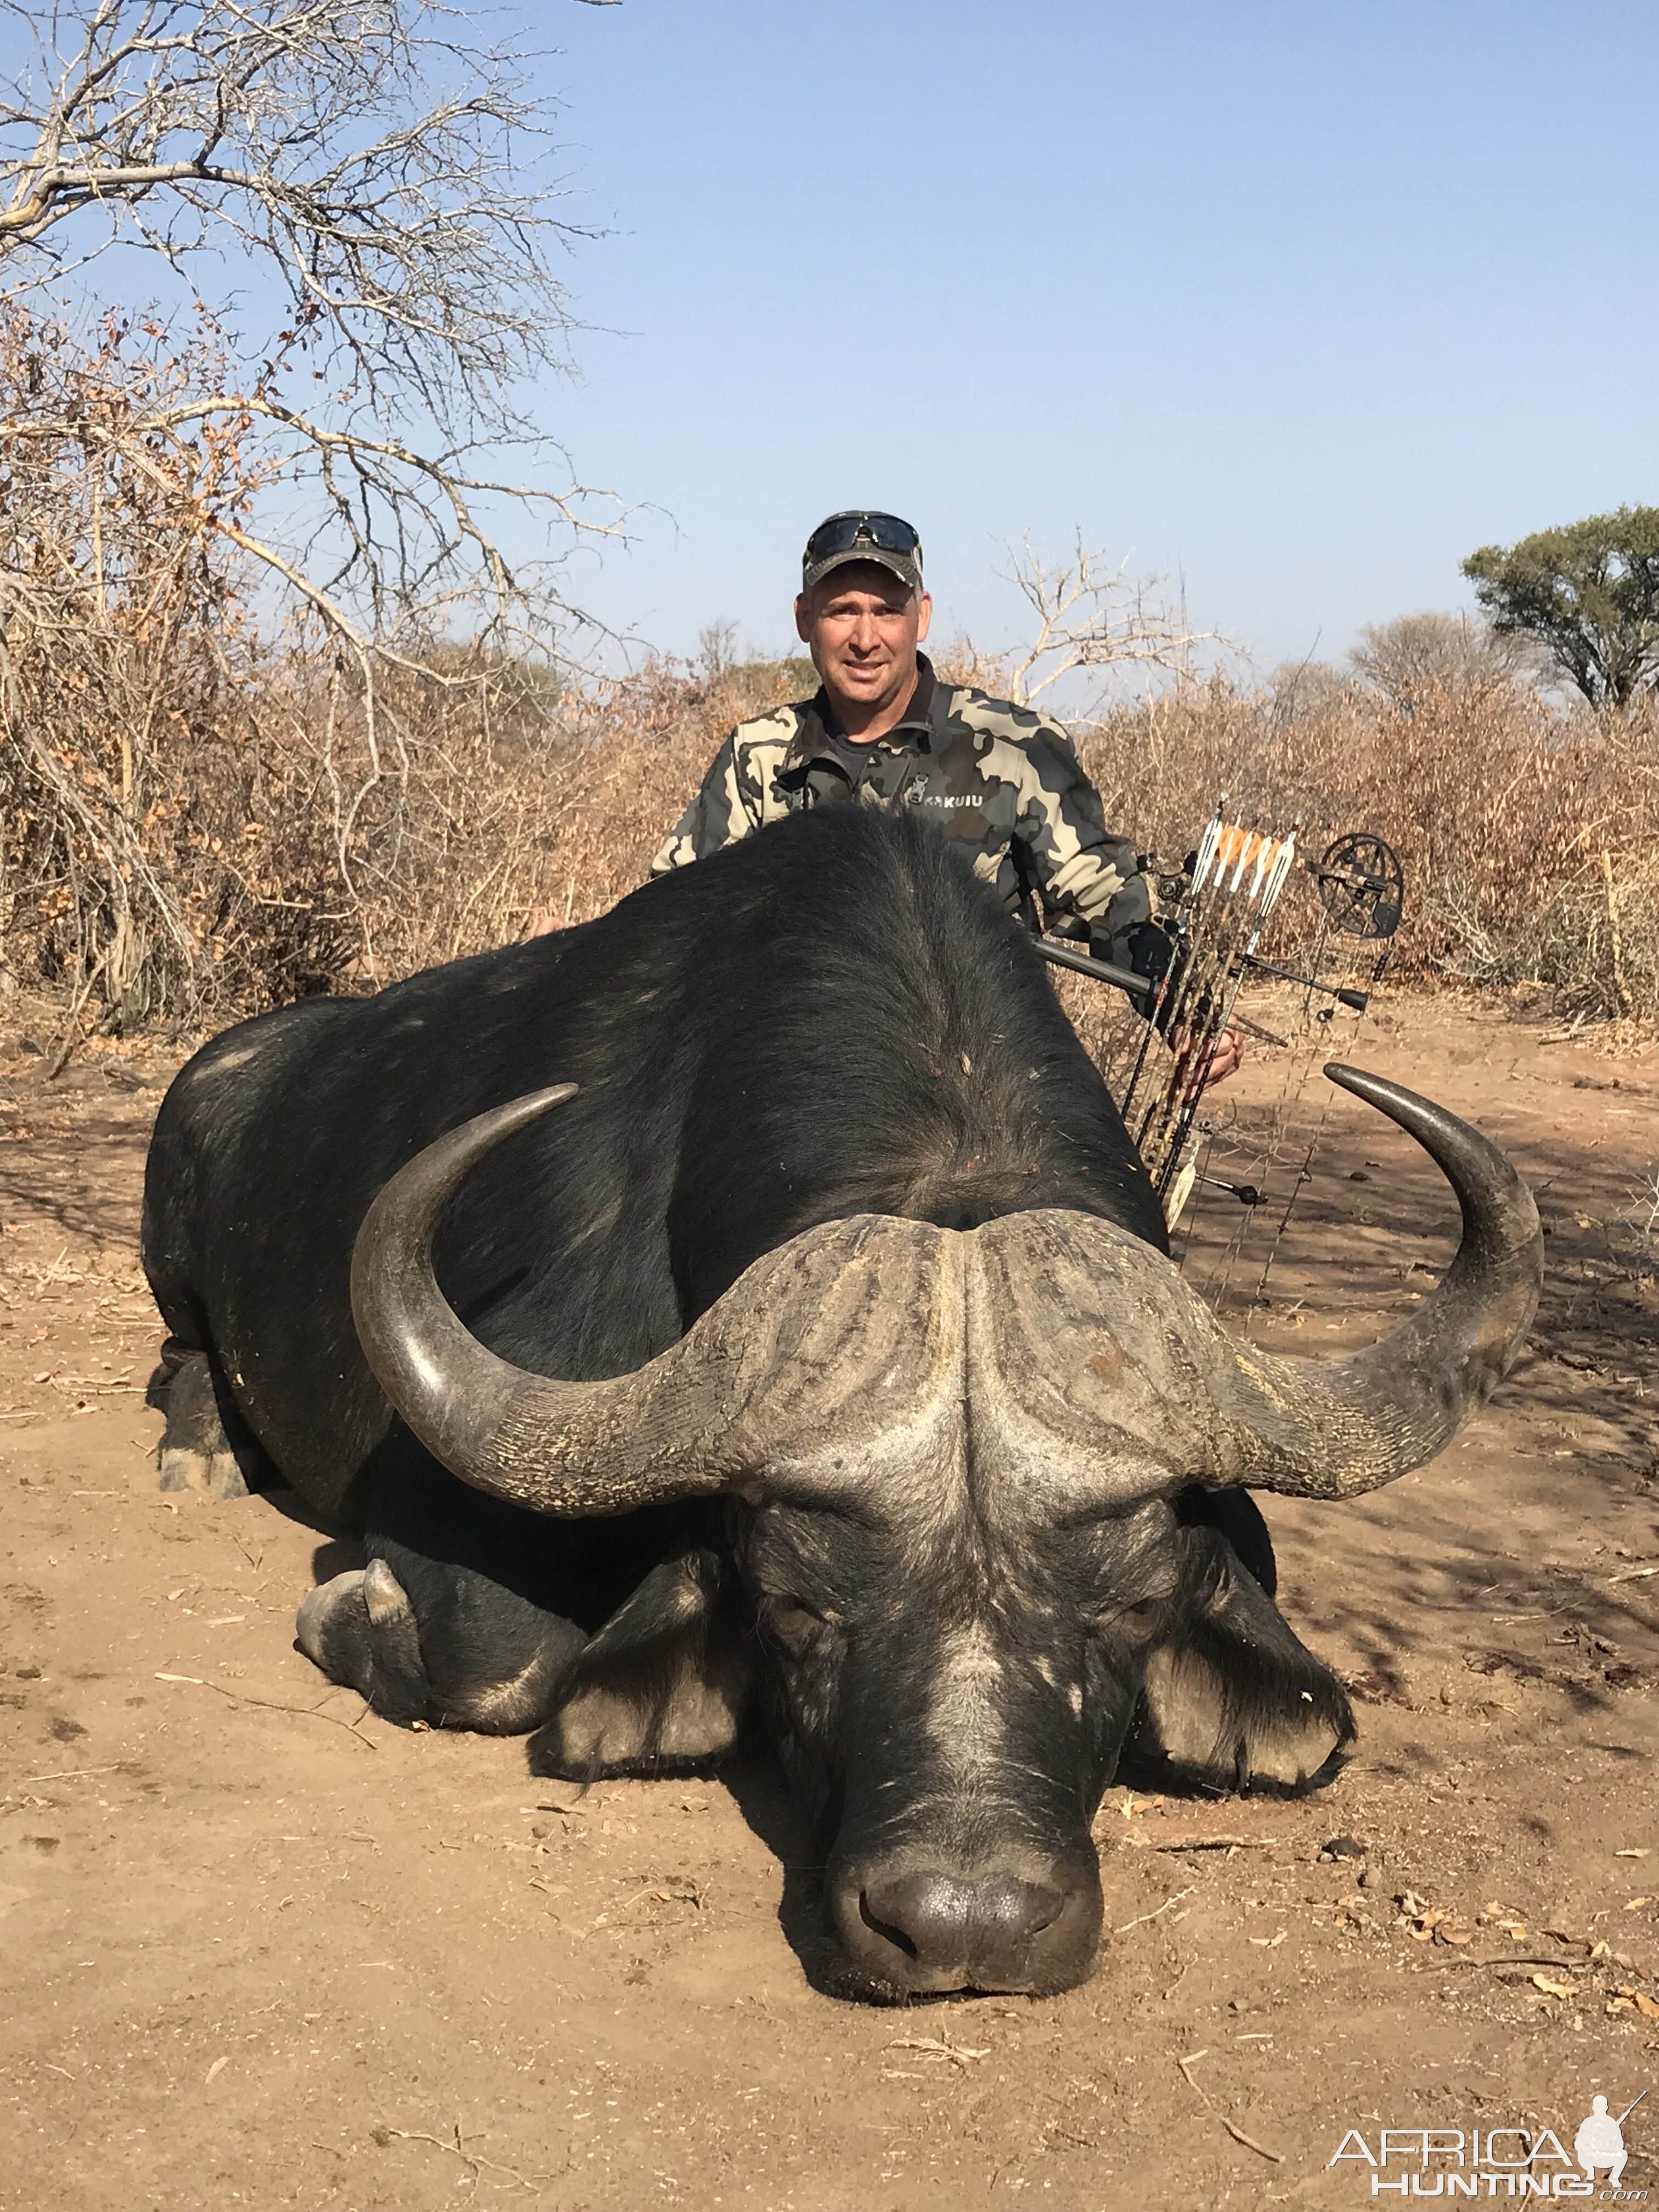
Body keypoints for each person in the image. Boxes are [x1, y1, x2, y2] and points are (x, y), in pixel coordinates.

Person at [650, 509, 1241, 1087]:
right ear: (805, 619)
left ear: (922, 617)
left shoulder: (1016, 745)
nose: (864, 638)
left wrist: (1187, 1010)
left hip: (977, 1087)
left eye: (886, 611)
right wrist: (568, 954)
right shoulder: (758, 754)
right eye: (841, 612)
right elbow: (669, 915)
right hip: (802, 1081)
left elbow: (1107, 898)